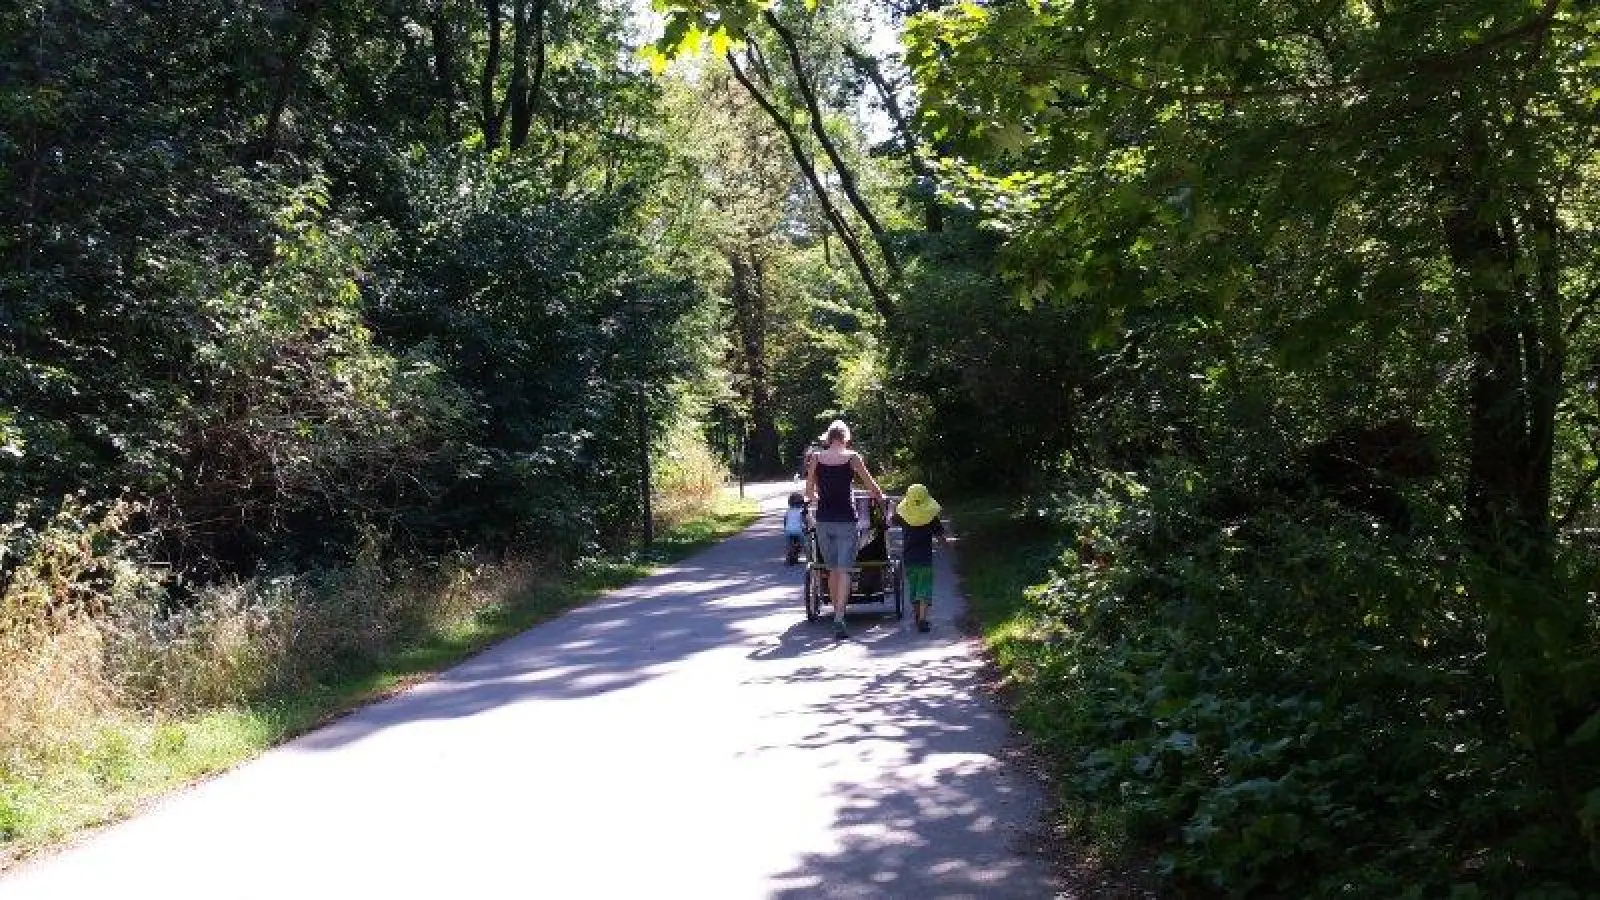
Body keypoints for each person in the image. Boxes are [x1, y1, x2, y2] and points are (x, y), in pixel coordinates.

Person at [804, 420, 885, 639]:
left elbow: (809, 493)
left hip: (824, 520)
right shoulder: (852, 457)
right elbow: (871, 485)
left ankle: (835, 613)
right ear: (846, 437)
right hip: (847, 520)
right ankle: (840, 617)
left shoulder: (816, 458)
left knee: (832, 570)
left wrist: (820, 497)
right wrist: (879, 496)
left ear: (829, 438)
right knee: (845, 569)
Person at [891, 483, 948, 633]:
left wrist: (892, 508)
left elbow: (891, 520)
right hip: (925, 559)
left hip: (909, 559)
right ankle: (922, 619)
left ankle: (917, 615)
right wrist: (948, 546)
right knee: (925, 588)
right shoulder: (931, 517)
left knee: (914, 588)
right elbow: (940, 537)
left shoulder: (903, 516)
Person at [782, 492, 808, 566]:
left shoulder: (788, 511)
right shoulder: (801, 511)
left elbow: (785, 521)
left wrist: (785, 528)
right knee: (805, 544)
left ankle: (788, 557)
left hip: (788, 531)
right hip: (798, 531)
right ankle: (808, 557)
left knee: (788, 545)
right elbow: (804, 520)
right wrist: (806, 528)